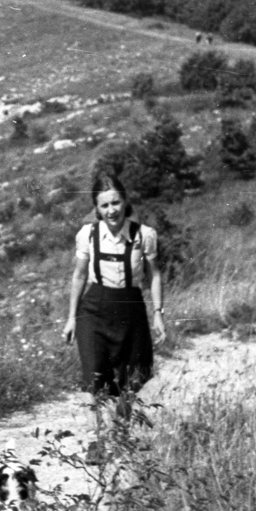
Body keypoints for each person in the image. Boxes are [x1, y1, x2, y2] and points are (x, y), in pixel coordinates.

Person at [62, 174, 166, 456]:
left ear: (125, 201)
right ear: (97, 208)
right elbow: (79, 276)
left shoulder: (144, 235)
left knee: (131, 378)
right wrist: (71, 317)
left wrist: (158, 313)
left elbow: (154, 275)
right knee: (93, 377)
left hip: (130, 310)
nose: (112, 210)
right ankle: (97, 441)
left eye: (116, 202)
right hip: (93, 310)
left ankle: (119, 433)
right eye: (104, 205)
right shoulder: (88, 235)